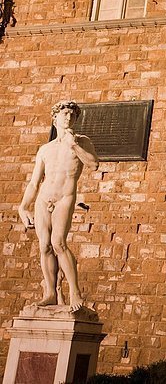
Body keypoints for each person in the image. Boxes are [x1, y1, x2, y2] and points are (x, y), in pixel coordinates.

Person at [18, 100, 99, 312]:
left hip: (65, 196)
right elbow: (35, 182)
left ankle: (74, 291)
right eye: (64, 114)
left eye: (72, 115)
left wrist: (73, 145)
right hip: (44, 198)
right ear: (55, 118)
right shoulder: (45, 149)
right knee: (44, 245)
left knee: (58, 243)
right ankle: (51, 293)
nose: (68, 117)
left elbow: (93, 164)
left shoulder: (82, 141)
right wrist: (23, 207)